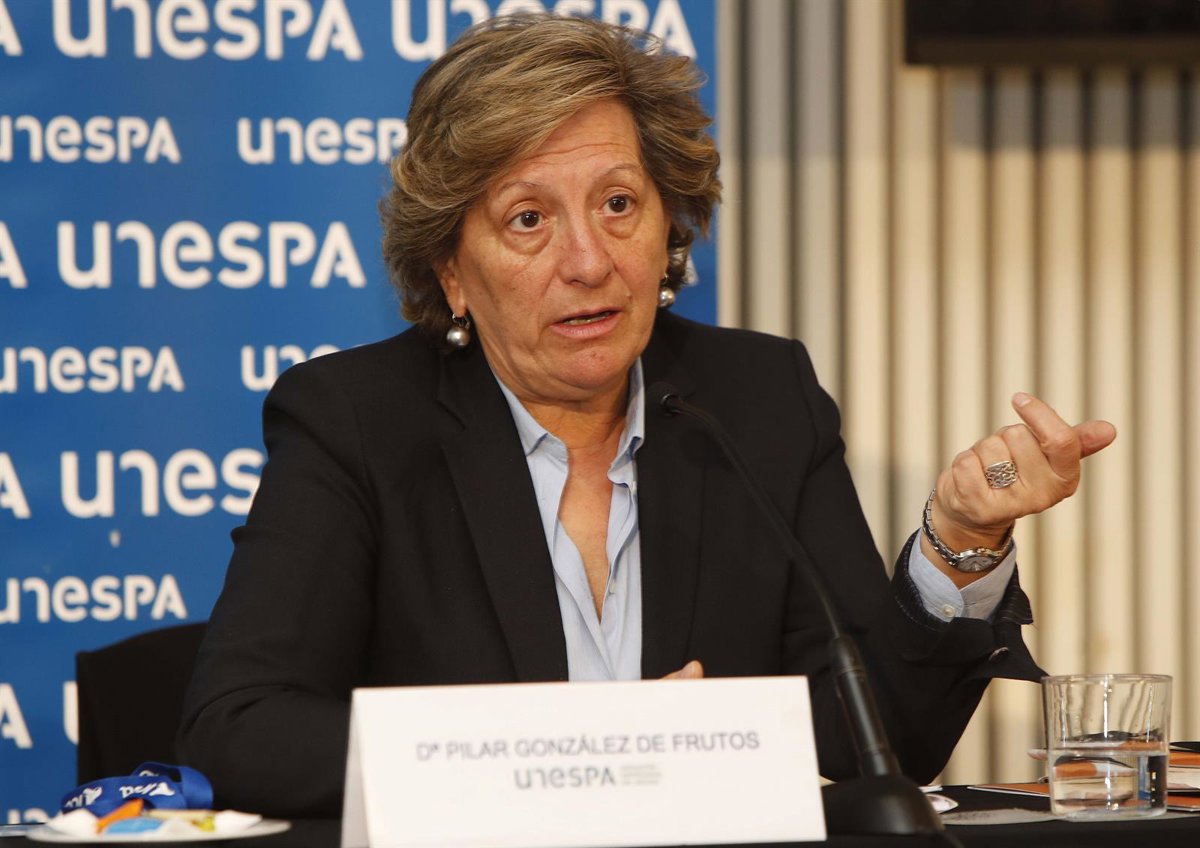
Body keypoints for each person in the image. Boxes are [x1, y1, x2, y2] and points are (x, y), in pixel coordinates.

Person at [178, 14, 1115, 818]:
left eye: (618, 204)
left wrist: (960, 541)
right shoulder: (357, 421)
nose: (589, 261)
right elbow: (240, 732)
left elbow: (878, 744)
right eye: (528, 219)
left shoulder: (756, 400)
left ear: (671, 229)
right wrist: (571, 747)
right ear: (451, 271)